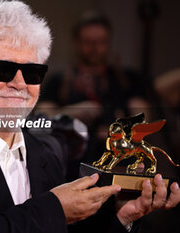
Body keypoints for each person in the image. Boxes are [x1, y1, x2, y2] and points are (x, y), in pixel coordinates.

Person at [0, 1, 180, 233]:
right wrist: (54, 209)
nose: (19, 83)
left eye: (32, 72)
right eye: (2, 69)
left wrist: (123, 218)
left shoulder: (46, 147)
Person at [37, 12, 150, 180]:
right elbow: (41, 119)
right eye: (88, 42)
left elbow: (144, 119)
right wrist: (73, 113)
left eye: (101, 42)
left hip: (118, 168)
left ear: (109, 42)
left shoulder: (126, 79)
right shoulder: (60, 81)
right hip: (71, 171)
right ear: (77, 42)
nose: (95, 48)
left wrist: (119, 133)